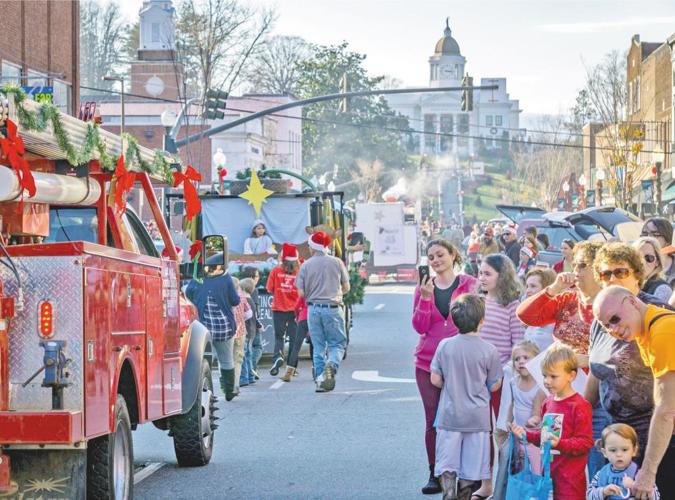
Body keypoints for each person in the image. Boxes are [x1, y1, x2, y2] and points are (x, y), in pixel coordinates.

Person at [593, 286, 675, 500]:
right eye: (606, 326)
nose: (613, 329)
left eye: (615, 318)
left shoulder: (663, 330)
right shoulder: (647, 330)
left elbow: (666, 409)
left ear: (632, 301)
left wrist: (648, 472)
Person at [412, 239, 478, 495]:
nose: (436, 260)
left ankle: (463, 473)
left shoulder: (468, 284)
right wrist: (426, 299)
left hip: (461, 363)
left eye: (440, 255)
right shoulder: (423, 288)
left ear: (453, 255)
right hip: (427, 363)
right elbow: (419, 326)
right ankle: (435, 472)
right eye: (431, 257)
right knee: (433, 421)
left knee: (462, 418)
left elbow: (475, 319)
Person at [430, 294, 503, 500]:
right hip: (477, 419)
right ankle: (464, 495)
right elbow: (495, 384)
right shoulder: (489, 350)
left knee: (447, 463)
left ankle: (448, 494)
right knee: (471, 468)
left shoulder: (445, 345)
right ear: (482, 320)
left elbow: (435, 379)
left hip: (450, 415)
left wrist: (451, 383)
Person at [510, 345, 594, 500]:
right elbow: (544, 438)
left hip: (570, 484)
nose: (547, 381)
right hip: (548, 478)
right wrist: (525, 435)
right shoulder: (547, 403)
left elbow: (586, 443)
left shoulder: (580, 405)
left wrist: (559, 443)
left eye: (553, 376)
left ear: (571, 375)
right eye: (544, 376)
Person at [517, 241, 604, 366]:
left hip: (592, 381)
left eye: (582, 265)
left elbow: (619, 357)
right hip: (557, 378)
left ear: (599, 269)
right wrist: (554, 288)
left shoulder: (611, 304)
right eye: (574, 265)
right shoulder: (567, 298)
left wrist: (587, 361)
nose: (575, 270)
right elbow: (525, 315)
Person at [295, 231, 350, 393]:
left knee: (318, 346)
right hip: (332, 308)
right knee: (338, 343)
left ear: (313, 247)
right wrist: (335, 292)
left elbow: (300, 293)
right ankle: (331, 365)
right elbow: (347, 287)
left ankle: (319, 381)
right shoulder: (337, 262)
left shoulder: (305, 265)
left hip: (313, 309)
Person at [185, 257, 240, 401]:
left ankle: (206, 392)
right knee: (227, 360)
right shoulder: (226, 278)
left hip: (204, 328)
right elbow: (235, 300)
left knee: (205, 361)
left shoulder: (199, 277)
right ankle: (229, 391)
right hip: (224, 327)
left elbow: (189, 292)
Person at [479, 253, 525, 424]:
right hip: (477, 372)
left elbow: (518, 343)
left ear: (502, 276)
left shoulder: (512, 305)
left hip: (501, 375)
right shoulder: (478, 301)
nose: (482, 278)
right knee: (483, 426)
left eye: (487, 274)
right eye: (480, 273)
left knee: (502, 423)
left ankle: (505, 452)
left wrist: (504, 372)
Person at [586, 423, 660, 500]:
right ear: (604, 453)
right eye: (613, 450)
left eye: (624, 450)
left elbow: (656, 497)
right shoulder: (601, 474)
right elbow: (589, 496)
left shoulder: (640, 474)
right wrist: (604, 491)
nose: (619, 454)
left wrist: (634, 486)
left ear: (634, 450)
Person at [266, 243, 300, 376]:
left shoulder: (275, 271)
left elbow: (269, 288)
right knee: (294, 339)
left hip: (278, 309)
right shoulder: (299, 271)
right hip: (295, 311)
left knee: (279, 337)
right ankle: (292, 367)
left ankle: (278, 357)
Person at [280, 296, 313, 382]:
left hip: (302, 319)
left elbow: (296, 307)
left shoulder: (304, 293)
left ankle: (288, 373)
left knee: (296, 347)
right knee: (315, 346)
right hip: (314, 318)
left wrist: (298, 317)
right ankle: (316, 372)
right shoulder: (317, 292)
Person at [522, 269, 556, 351]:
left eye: (533, 286)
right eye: (527, 286)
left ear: (546, 288)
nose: (528, 291)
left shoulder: (556, 317)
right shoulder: (530, 314)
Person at [240, 266, 263, 378]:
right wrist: (258, 323)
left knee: (249, 349)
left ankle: (250, 371)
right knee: (256, 347)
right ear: (251, 277)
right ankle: (251, 370)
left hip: (249, 326)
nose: (258, 278)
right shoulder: (252, 291)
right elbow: (252, 311)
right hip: (252, 324)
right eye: (257, 276)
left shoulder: (243, 291)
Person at [633, 237, 672, 303]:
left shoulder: (662, 289)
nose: (642, 262)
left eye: (648, 258)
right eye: (637, 257)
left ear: (657, 262)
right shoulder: (626, 282)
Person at [231, 277, 252, 396]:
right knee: (238, 359)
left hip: (227, 332)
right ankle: (236, 385)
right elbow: (249, 314)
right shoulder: (241, 297)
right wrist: (241, 319)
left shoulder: (225, 295)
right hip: (240, 331)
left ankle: (226, 384)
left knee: (225, 359)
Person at [641, 217, 675, 285]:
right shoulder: (635, 265)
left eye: (655, 235)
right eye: (644, 234)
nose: (648, 238)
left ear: (668, 240)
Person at [238, 278, 258, 387]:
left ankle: (244, 377)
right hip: (252, 331)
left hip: (246, 330)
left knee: (244, 355)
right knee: (248, 354)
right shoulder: (251, 300)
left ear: (243, 289)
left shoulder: (245, 300)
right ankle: (251, 376)